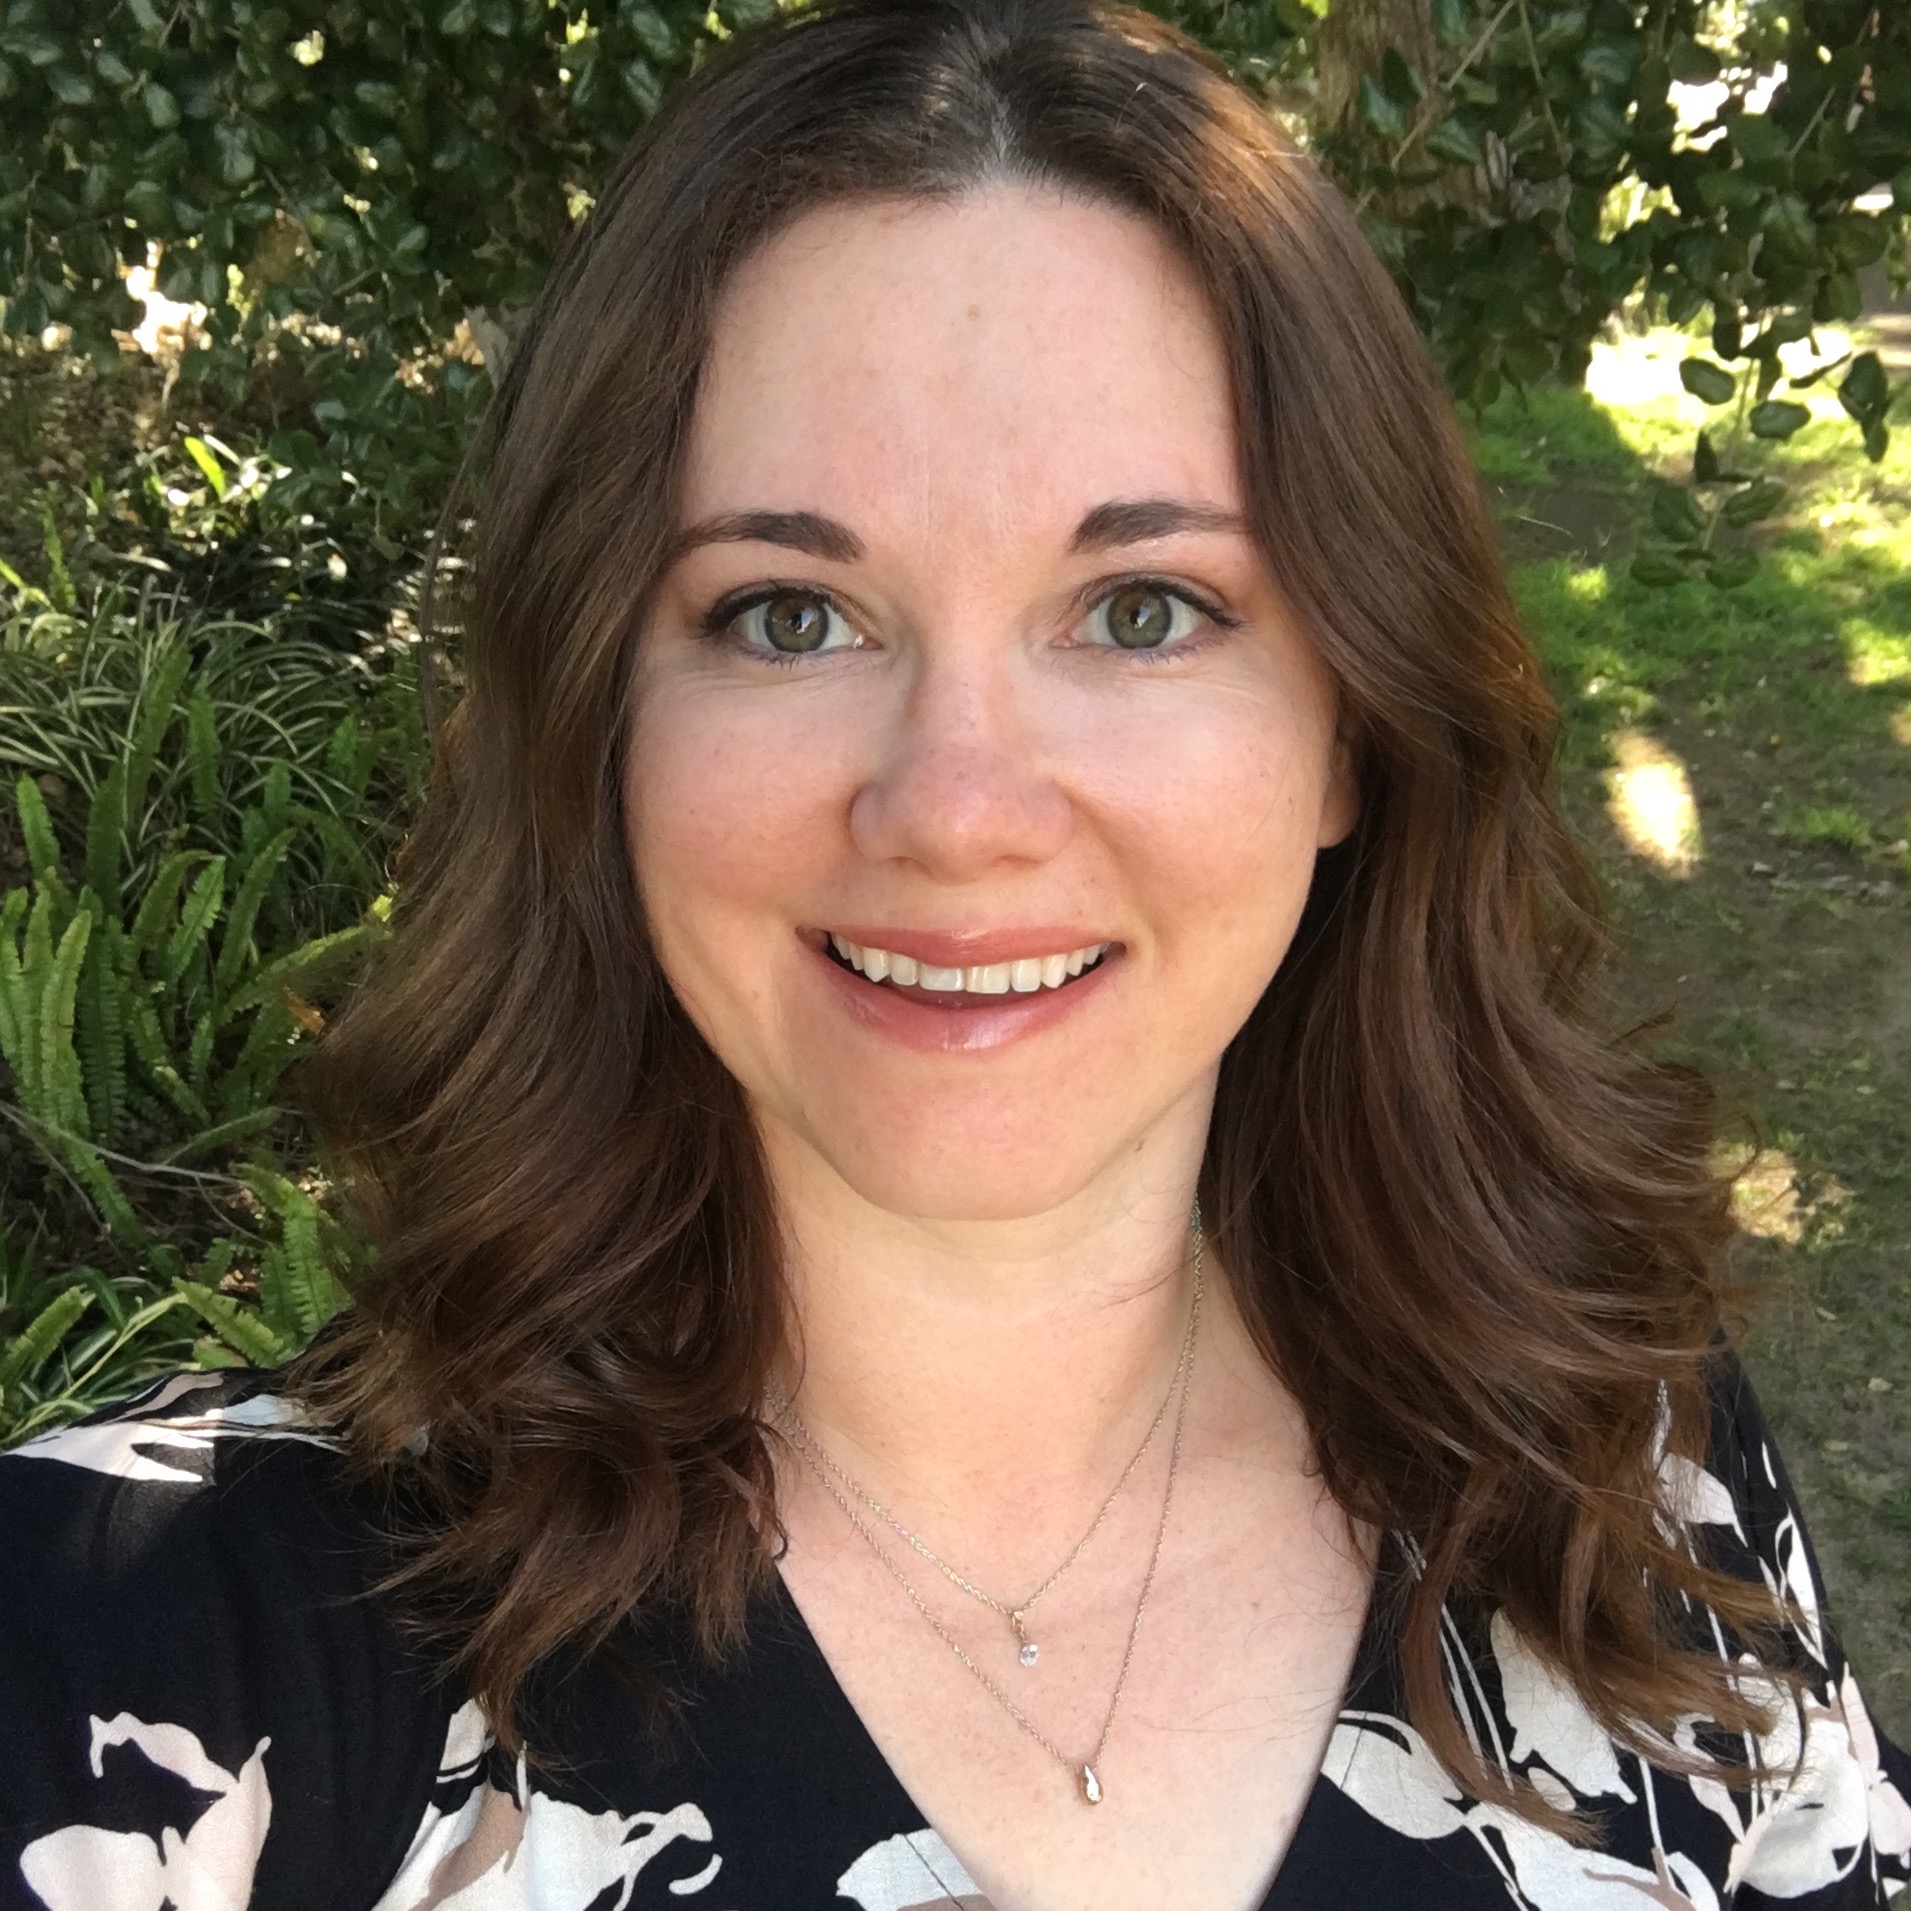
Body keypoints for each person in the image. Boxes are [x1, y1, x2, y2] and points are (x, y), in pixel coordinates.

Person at [1, 1, 1906, 1906]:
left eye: (1142, 608)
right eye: (788, 618)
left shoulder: (1615, 1465)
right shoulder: (144, 1660)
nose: (960, 806)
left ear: (1353, 726)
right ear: (598, 724)